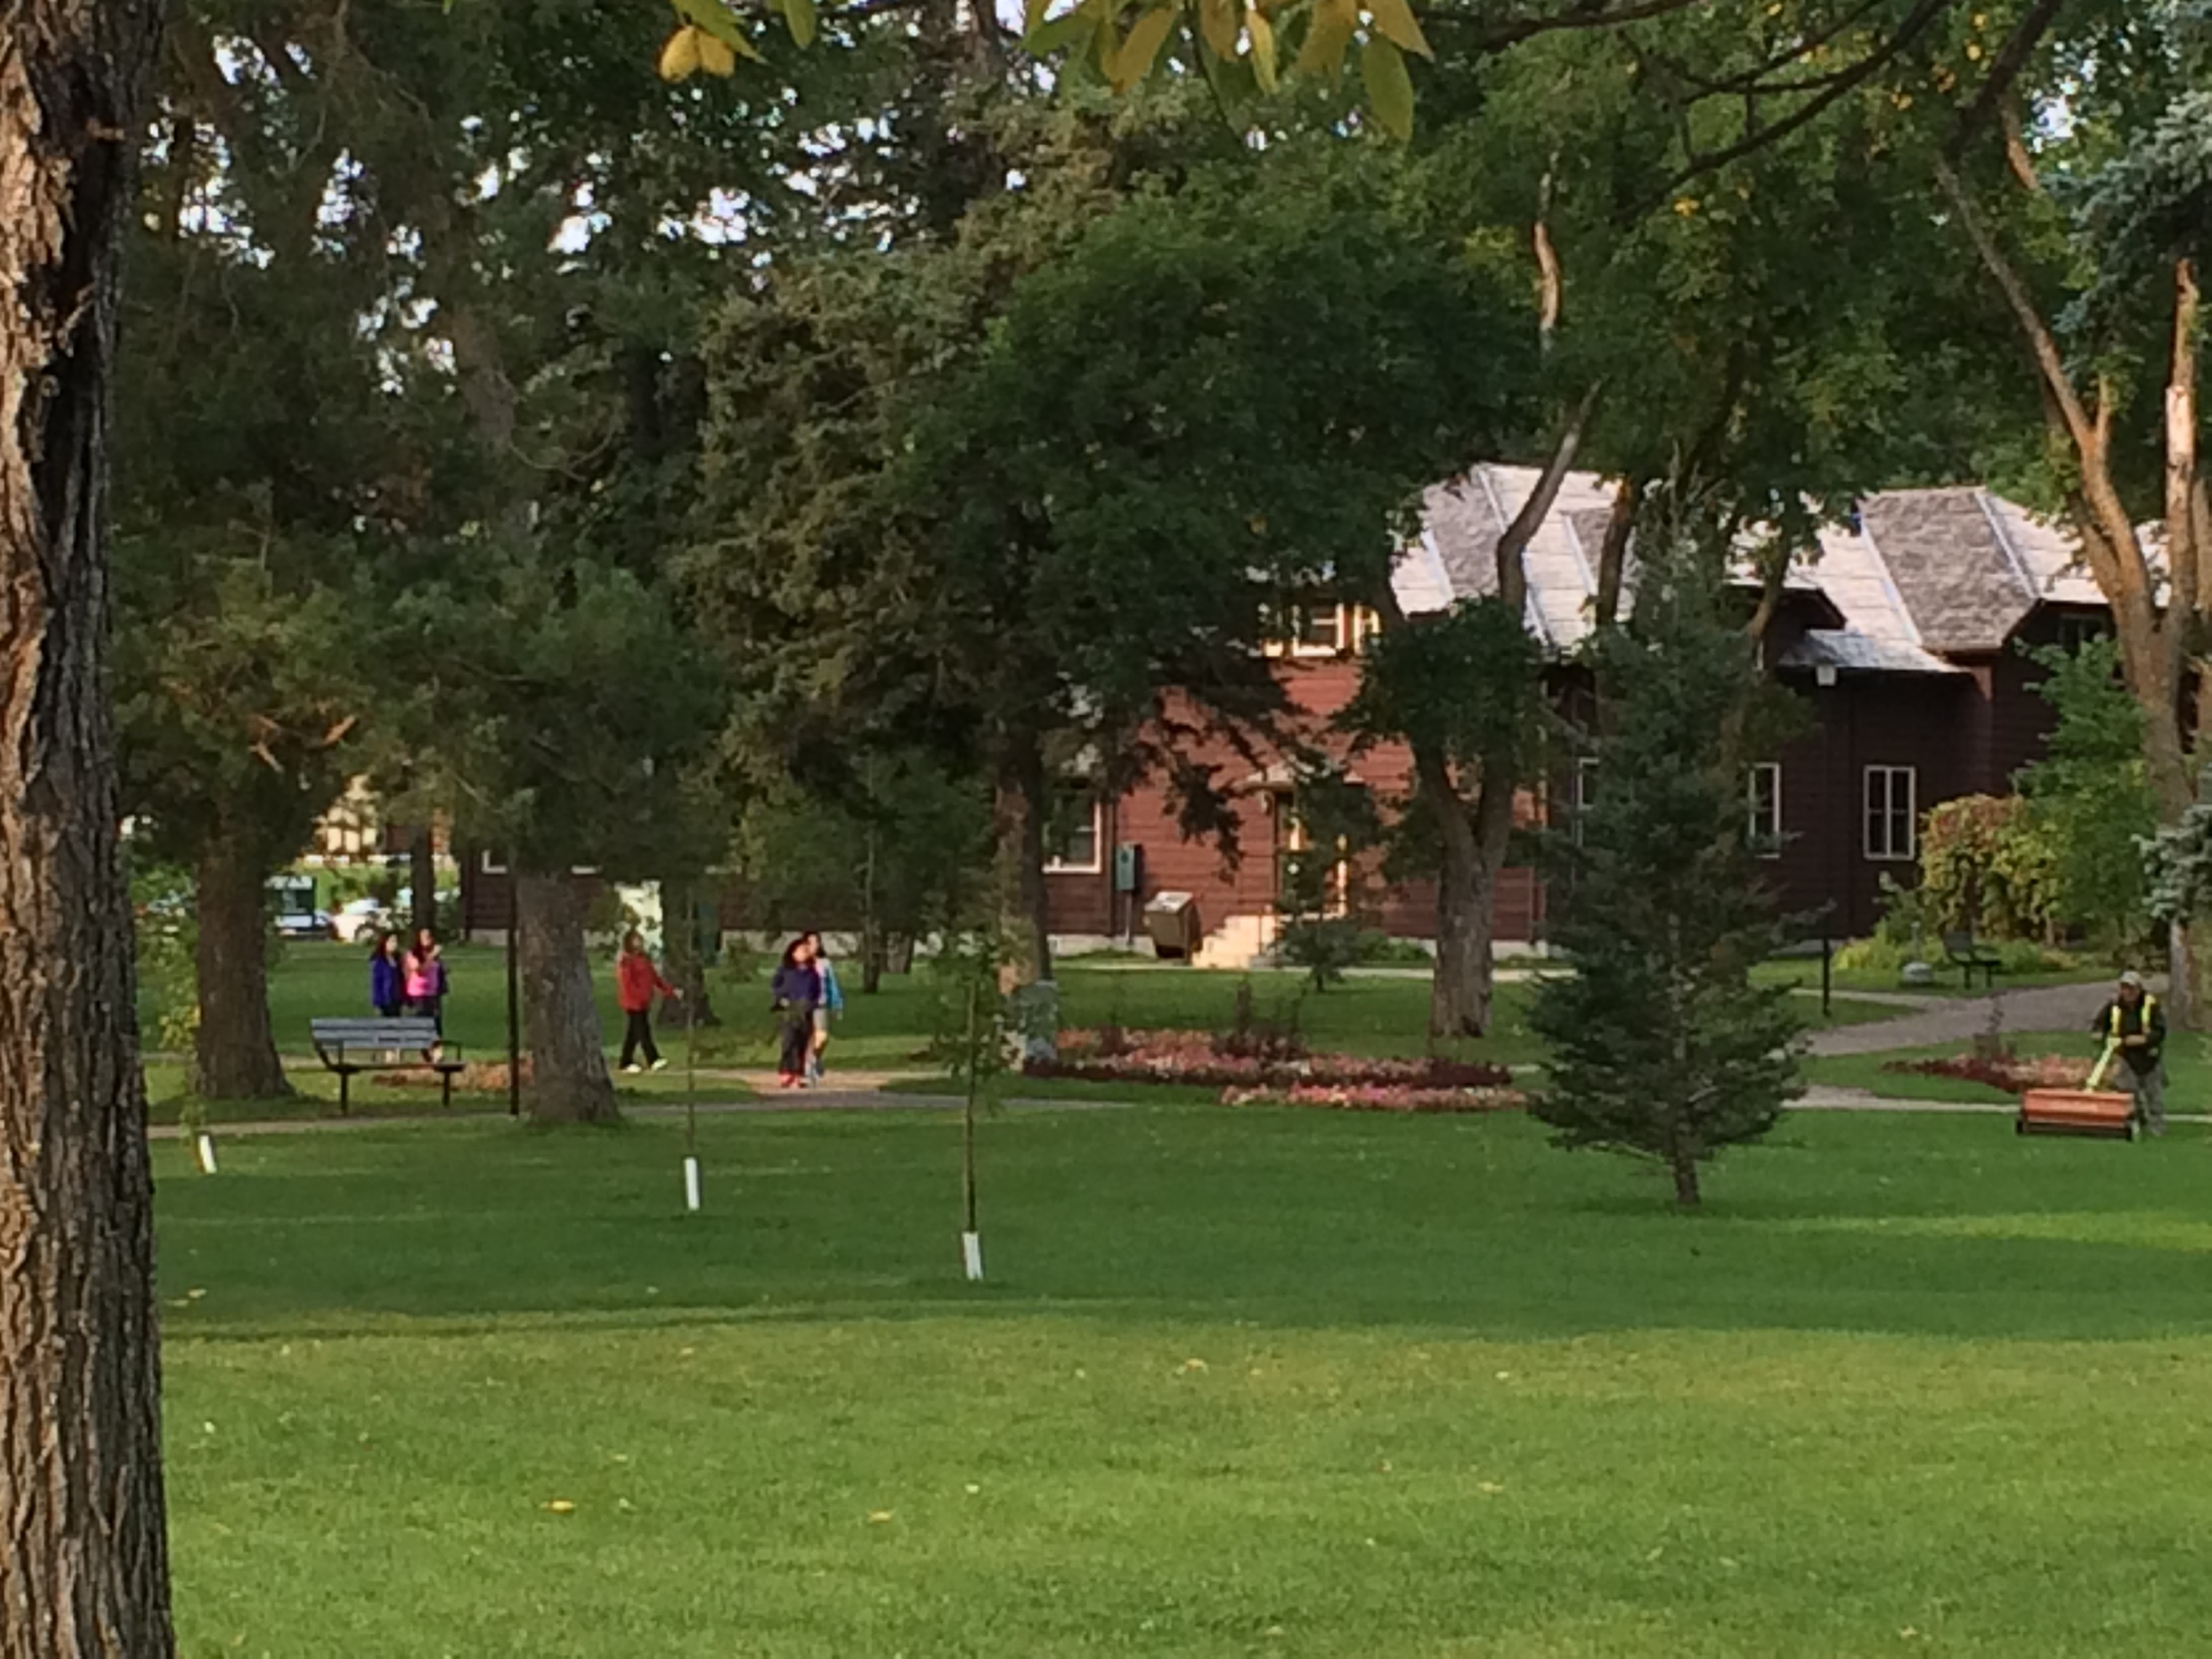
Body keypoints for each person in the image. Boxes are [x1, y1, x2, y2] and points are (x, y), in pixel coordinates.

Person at [2091, 969, 2167, 1136]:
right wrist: (2100, 1037)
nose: (2128, 992)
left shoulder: (2151, 1005)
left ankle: (2158, 1127)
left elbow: (2160, 1032)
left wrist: (2143, 1040)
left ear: (2139, 989)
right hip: (2124, 1055)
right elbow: (2099, 1026)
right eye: (2125, 988)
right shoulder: (2114, 1006)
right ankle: (2137, 1121)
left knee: (2153, 1093)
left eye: (2131, 988)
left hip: (2148, 1055)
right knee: (2128, 1091)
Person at [617, 929, 680, 1075]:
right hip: (634, 1002)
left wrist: (670, 991)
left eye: (640, 939)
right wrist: (637, 997)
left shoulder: (644, 959)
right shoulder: (627, 961)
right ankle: (653, 1059)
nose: (639, 942)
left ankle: (625, 1061)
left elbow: (655, 979)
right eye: (635, 940)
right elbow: (627, 983)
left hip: (644, 1002)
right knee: (643, 1031)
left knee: (633, 1034)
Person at [769, 936, 821, 1090]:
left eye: (806, 950)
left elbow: (816, 992)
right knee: (788, 1041)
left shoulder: (813, 974)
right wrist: (781, 998)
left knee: (802, 1044)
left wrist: (811, 1004)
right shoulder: (786, 971)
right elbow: (775, 986)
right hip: (789, 1010)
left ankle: (798, 1074)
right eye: (800, 950)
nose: (804, 953)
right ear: (793, 953)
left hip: (806, 1012)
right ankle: (786, 1071)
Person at [803, 930, 846, 1085]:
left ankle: (815, 1058)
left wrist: (837, 1004)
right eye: (810, 942)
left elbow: (832, 985)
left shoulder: (825, 964)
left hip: (821, 1005)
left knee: (822, 1036)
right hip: (804, 1005)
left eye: (816, 942)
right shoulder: (800, 962)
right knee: (809, 1037)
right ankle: (809, 1067)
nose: (814, 946)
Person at [404, 926, 448, 1032]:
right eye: (425, 937)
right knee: (419, 1023)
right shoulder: (413, 954)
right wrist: (432, 956)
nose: (428, 939)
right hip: (419, 995)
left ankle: (434, 1047)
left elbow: (440, 969)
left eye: (429, 937)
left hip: (433, 993)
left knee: (435, 1024)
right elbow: (420, 971)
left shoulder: (433, 955)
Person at [369, 930, 405, 1019]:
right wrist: (377, 1004)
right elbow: (376, 983)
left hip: (397, 999)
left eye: (396, 942)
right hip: (385, 1000)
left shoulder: (398, 960)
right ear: (385, 942)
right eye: (392, 941)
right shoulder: (379, 961)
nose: (394, 944)